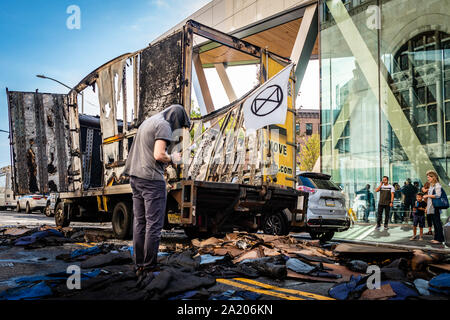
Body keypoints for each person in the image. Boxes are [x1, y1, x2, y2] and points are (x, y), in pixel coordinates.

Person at [123, 104, 191, 277]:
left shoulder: (149, 121)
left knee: (140, 223)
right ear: (176, 118)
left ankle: (139, 264)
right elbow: (159, 155)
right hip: (151, 180)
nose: (177, 129)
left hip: (135, 177)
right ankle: (149, 265)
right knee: (153, 225)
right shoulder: (164, 125)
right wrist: (173, 158)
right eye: (180, 125)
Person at [422, 170, 445, 244]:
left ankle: (440, 239)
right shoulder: (432, 186)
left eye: (429, 177)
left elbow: (438, 195)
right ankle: (436, 238)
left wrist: (427, 195)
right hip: (432, 207)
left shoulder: (437, 185)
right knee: (435, 223)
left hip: (435, 207)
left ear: (433, 177)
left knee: (437, 223)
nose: (428, 179)